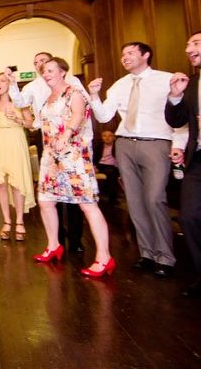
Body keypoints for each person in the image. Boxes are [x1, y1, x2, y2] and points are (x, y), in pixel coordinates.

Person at [88, 41, 188, 278]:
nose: (125, 57)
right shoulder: (120, 85)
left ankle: (165, 256)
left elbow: (179, 117)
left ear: (146, 55)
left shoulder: (167, 80)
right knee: (134, 201)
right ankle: (147, 253)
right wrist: (94, 95)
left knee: (154, 199)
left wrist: (177, 145)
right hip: (125, 143)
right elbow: (104, 115)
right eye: (123, 54)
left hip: (156, 143)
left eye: (131, 53)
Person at [33, 58, 114, 277]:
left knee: (87, 204)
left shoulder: (74, 93)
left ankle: (104, 257)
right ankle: (53, 245)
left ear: (63, 72)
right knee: (46, 201)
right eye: (44, 71)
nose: (46, 73)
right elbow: (43, 124)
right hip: (51, 156)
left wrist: (66, 134)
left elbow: (78, 115)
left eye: (50, 70)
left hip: (73, 154)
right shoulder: (47, 99)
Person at [8, 52, 87, 253]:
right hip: (48, 142)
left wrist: (74, 137)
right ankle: (56, 240)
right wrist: (12, 84)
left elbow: (82, 112)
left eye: (43, 62)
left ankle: (76, 239)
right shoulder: (34, 87)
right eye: (35, 63)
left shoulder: (72, 84)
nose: (39, 66)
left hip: (71, 143)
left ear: (56, 67)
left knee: (75, 193)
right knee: (52, 194)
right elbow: (19, 102)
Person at [165, 30, 201, 297]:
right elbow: (177, 121)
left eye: (196, 43)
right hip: (197, 160)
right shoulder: (192, 84)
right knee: (189, 216)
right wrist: (175, 96)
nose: (189, 48)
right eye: (188, 43)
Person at [0, 73, 35, 241]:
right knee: (1, 182)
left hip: (16, 139)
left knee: (17, 182)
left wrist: (19, 119)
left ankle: (19, 221)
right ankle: (6, 221)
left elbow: (32, 124)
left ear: (10, 83)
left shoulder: (20, 100)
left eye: (3, 80)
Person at [93, 130, 120, 202]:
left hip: (112, 166)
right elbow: (93, 158)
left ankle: (112, 199)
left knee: (112, 174)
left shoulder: (117, 146)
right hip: (100, 166)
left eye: (110, 136)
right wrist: (94, 167)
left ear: (114, 137)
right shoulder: (98, 146)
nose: (107, 138)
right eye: (104, 136)